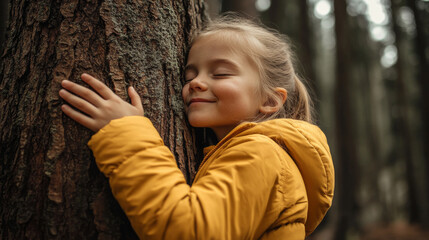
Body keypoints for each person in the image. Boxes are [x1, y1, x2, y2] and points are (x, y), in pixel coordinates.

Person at [59, 14, 334, 240]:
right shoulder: (251, 152)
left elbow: (189, 231)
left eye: (221, 73)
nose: (196, 83)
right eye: (189, 75)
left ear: (270, 100)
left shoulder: (263, 154)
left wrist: (127, 134)